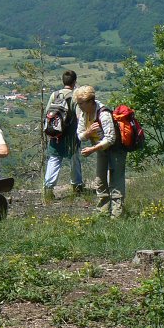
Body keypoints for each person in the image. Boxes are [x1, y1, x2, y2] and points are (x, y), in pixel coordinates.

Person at [74, 85, 126, 218]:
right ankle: (102, 211)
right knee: (100, 179)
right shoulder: (84, 114)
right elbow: (79, 135)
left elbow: (111, 138)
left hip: (116, 149)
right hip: (100, 149)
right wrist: (88, 132)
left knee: (116, 179)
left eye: (81, 103)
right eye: (78, 103)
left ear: (90, 101)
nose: (79, 106)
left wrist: (92, 149)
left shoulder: (103, 114)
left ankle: (117, 214)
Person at [43, 70, 84, 199]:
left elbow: (48, 113)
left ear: (63, 81)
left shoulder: (54, 95)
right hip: (71, 136)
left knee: (54, 160)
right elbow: (79, 116)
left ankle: (48, 190)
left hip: (56, 135)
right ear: (74, 81)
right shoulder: (74, 96)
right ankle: (77, 186)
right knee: (74, 161)